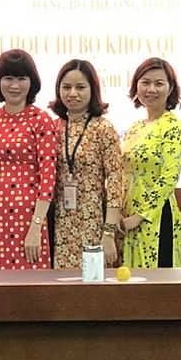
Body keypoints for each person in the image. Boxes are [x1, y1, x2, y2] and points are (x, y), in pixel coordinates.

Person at [0, 49, 56, 270]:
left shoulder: (41, 119)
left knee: (30, 282)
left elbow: (48, 178)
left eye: (22, 78)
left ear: (31, 82)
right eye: (8, 78)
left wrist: (36, 226)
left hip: (30, 215)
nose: (14, 85)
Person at [49, 60, 125, 268]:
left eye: (80, 87)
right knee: (61, 284)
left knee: (92, 282)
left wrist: (109, 233)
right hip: (60, 223)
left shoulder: (103, 128)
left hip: (93, 221)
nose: (72, 93)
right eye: (66, 87)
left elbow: (116, 181)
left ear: (93, 90)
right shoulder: (53, 128)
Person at [122, 57, 181, 268]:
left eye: (159, 83)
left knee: (156, 282)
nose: (151, 89)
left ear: (170, 89)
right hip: (128, 219)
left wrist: (139, 216)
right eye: (145, 82)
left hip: (158, 219)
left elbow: (169, 178)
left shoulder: (174, 127)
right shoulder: (135, 128)